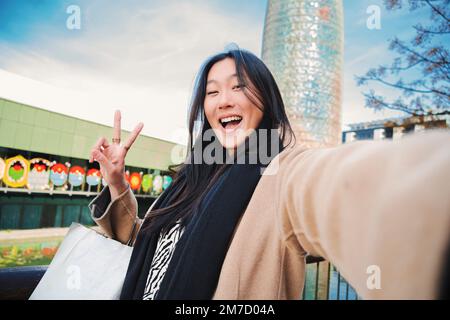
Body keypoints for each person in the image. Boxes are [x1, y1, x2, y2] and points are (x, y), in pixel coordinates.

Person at [88, 47, 450, 300]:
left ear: (266, 99)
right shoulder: (191, 179)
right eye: (212, 92)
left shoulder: (282, 171)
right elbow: (154, 254)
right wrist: (117, 183)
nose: (224, 100)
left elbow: (343, 186)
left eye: (239, 86)